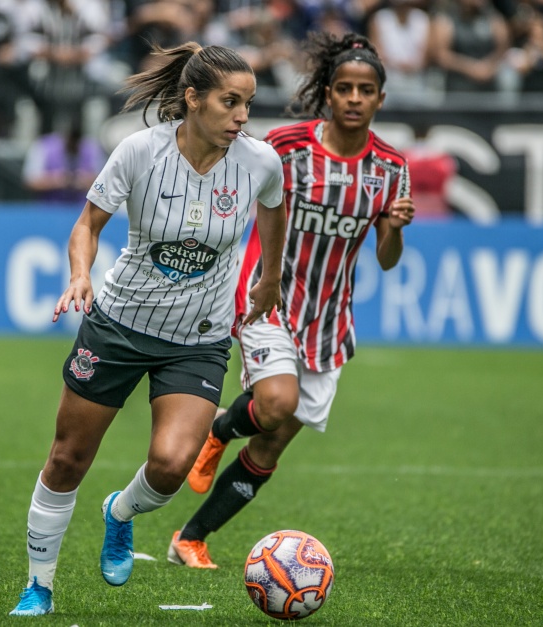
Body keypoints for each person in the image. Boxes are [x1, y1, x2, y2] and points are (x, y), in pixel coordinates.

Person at [8, 41, 286, 616]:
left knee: (170, 466)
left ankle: (120, 513)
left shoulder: (260, 163)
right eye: (230, 102)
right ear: (192, 98)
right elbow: (86, 225)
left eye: (248, 104)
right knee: (66, 459)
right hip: (120, 325)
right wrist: (80, 275)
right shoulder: (139, 152)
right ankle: (39, 585)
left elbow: (275, 210)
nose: (242, 117)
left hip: (202, 337)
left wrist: (271, 278)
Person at [167, 31, 415, 569]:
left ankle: (190, 537)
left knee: (271, 445)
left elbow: (388, 258)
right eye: (344, 88)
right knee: (275, 405)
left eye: (365, 90)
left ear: (380, 99)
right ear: (326, 93)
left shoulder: (391, 169)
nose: (354, 98)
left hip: (330, 323)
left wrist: (392, 229)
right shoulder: (287, 145)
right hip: (269, 298)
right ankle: (217, 432)